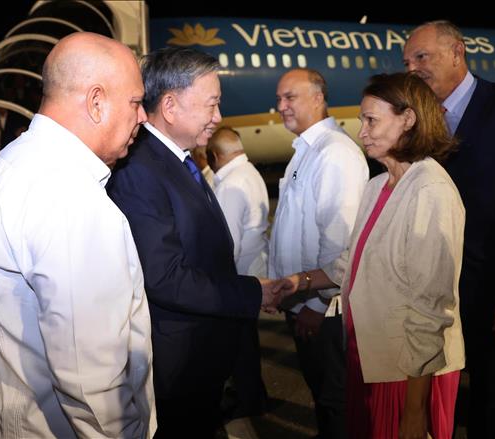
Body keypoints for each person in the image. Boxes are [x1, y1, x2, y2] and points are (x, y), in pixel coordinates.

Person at [0, 32, 155, 438]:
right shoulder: (68, 194)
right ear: (96, 101)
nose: (143, 117)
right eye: (135, 102)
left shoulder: (14, 160)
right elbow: (91, 384)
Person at [277, 72, 466, 438]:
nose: (361, 131)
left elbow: (429, 309)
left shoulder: (430, 191)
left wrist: (414, 411)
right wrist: (297, 282)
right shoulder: (378, 185)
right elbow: (350, 262)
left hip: (408, 375)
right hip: (370, 360)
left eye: (371, 121)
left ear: (408, 119)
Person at [106, 46, 278, 439]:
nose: (218, 117)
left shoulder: (174, 160)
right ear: (170, 106)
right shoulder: (140, 170)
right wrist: (252, 292)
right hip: (178, 367)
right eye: (211, 104)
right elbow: (164, 276)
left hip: (198, 357)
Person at [403, 20, 495, 438]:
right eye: (407, 61)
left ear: (457, 52)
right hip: (434, 289)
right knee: (439, 392)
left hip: (489, 290)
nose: (412, 68)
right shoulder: (416, 120)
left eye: (422, 56)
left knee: (490, 395)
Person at [269, 67, 369, 437]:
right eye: (279, 99)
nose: (281, 106)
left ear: (318, 98)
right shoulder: (308, 150)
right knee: (324, 396)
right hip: (304, 301)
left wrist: (316, 304)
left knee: (335, 401)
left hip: (323, 310)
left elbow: (340, 242)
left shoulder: (335, 153)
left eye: (289, 97)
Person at [207, 126, 270, 419]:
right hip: (251, 271)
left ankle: (249, 400)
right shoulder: (249, 172)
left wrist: (217, 286)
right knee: (246, 343)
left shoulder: (230, 184)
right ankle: (253, 397)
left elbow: (227, 244)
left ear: (216, 155)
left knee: (240, 345)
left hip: (238, 276)